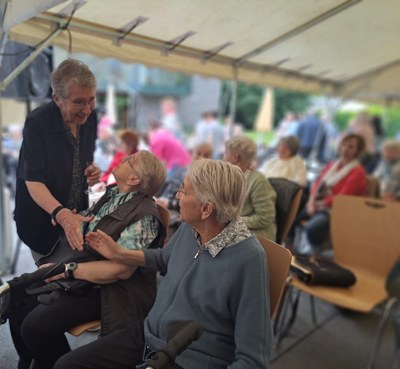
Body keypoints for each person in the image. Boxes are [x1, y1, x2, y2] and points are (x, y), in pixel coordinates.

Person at [55, 159, 272, 369]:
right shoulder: (192, 228)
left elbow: (252, 359)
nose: (177, 196)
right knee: (66, 365)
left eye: (183, 191)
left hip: (187, 359)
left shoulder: (248, 259)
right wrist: (120, 253)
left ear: (206, 209)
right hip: (149, 337)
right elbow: (163, 258)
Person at [9, 150, 167, 369]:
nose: (122, 159)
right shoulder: (113, 195)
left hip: (112, 291)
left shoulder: (145, 216)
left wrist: (65, 270)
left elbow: (120, 271)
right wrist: (73, 219)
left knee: (35, 327)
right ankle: (30, 363)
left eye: (130, 160)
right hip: (84, 275)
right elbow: (89, 225)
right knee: (17, 299)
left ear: (134, 179)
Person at [14, 58, 101, 259]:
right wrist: (61, 214)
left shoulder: (91, 118)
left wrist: (89, 170)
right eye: (78, 102)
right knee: (51, 278)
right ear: (57, 99)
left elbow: (83, 159)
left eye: (91, 100)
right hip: (41, 222)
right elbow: (33, 180)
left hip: (77, 215)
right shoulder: (38, 122)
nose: (87, 109)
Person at [294, 133, 368, 253]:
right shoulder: (333, 165)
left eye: (351, 147)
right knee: (294, 218)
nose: (346, 149)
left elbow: (341, 198)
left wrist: (317, 205)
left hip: (338, 211)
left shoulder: (358, 171)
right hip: (320, 204)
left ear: (358, 151)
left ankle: (315, 256)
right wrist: (312, 201)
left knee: (311, 228)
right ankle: (293, 253)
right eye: (344, 144)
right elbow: (317, 183)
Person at [224, 136, 277, 241]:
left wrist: (232, 222)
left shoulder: (258, 181)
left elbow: (264, 218)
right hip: (237, 229)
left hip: (257, 236)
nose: (223, 157)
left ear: (235, 157)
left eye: (226, 153)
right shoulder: (230, 177)